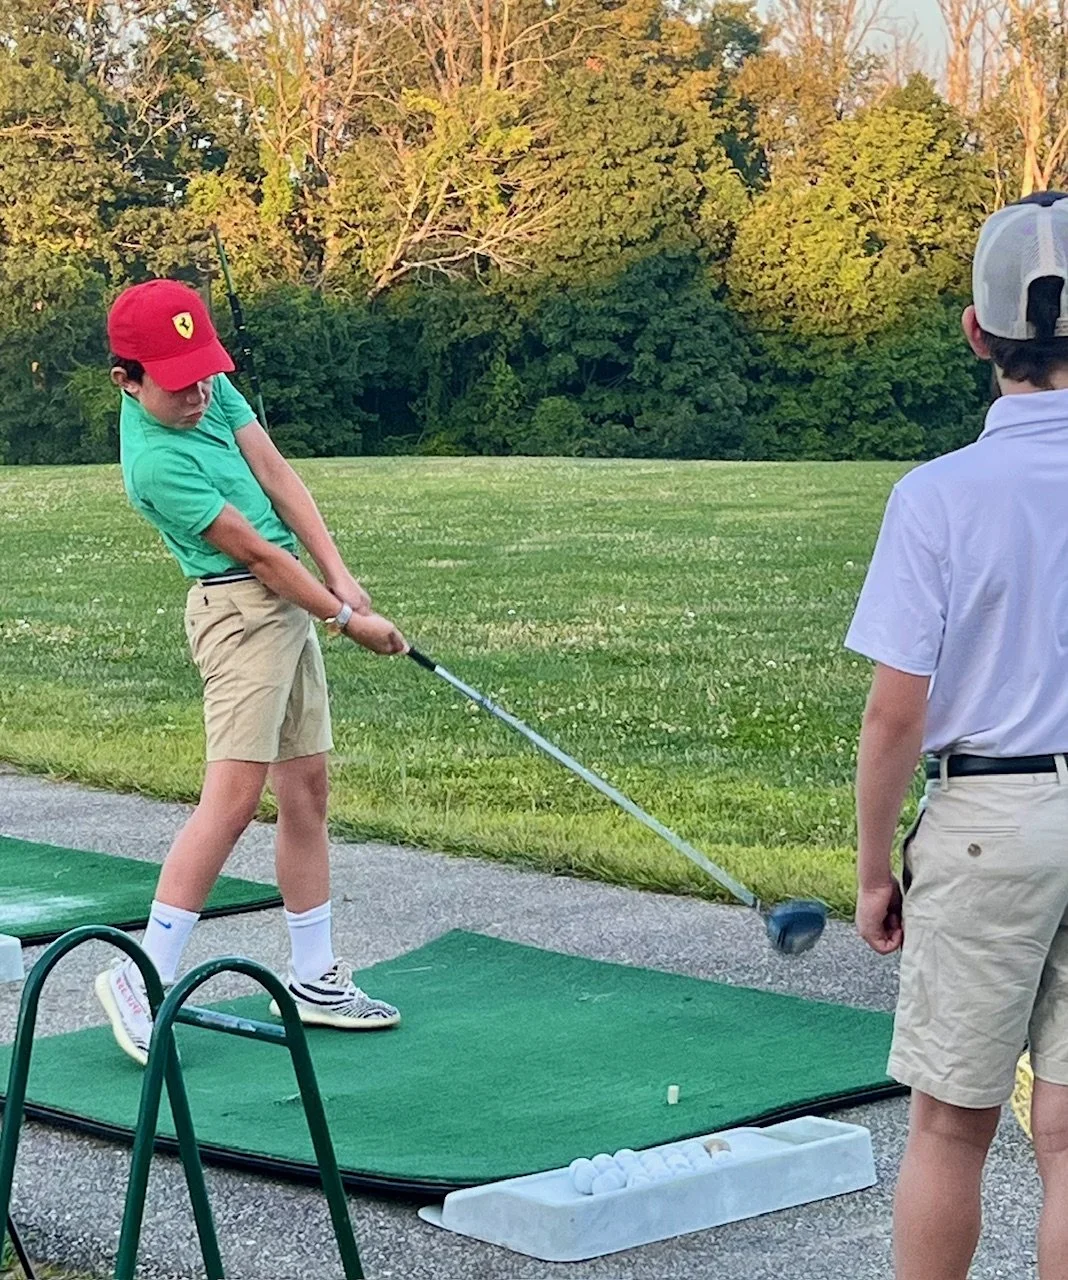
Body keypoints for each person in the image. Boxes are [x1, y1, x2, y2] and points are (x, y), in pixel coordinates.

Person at [96, 278, 408, 1066]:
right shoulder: (153, 466)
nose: (199, 391)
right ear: (127, 381)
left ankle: (314, 979)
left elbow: (277, 474)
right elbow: (259, 556)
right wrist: (346, 622)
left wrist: (341, 577)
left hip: (291, 602)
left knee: (307, 789)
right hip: (240, 616)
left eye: (204, 370)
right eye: (177, 382)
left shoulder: (208, 388)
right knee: (232, 803)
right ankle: (141, 976)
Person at [846, 191, 1068, 1280]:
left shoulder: (938, 495)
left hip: (989, 819)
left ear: (977, 332)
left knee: (949, 1123)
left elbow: (897, 711)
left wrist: (875, 863)